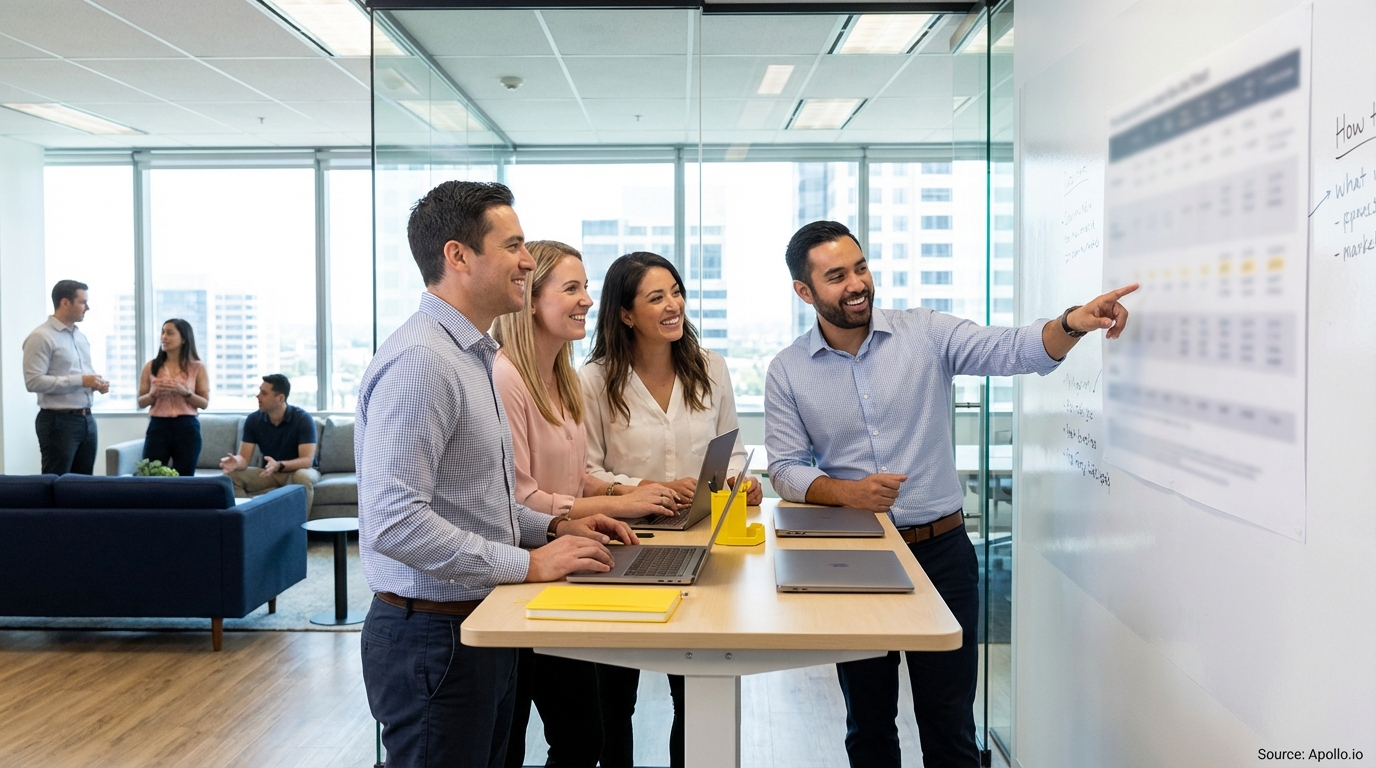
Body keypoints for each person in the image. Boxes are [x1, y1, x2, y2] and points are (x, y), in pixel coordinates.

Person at [764, 220, 1137, 768]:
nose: (857, 284)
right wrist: (847, 493)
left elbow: (1011, 350)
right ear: (805, 291)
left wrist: (1071, 324)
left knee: (950, 725)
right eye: (837, 276)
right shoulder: (788, 371)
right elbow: (785, 468)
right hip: (854, 556)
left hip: (942, 555)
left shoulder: (926, 333)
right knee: (868, 725)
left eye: (861, 267)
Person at [355, 180, 638, 768]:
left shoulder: (470, 355)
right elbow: (396, 524)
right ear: (458, 256)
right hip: (432, 635)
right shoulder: (422, 362)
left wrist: (553, 532)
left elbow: (482, 501)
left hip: (475, 622)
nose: (528, 260)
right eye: (512, 246)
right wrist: (530, 563)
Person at [490, 240, 680, 768]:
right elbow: (521, 497)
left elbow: (576, 477)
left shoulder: (562, 378)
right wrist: (619, 507)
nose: (585, 300)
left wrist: (627, 493)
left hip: (564, 572)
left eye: (586, 288)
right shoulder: (506, 378)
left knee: (583, 737)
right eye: (571, 288)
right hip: (521, 577)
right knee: (524, 743)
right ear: (530, 299)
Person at [580, 251, 761, 768]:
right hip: (623, 545)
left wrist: (738, 482)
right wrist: (650, 488)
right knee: (614, 699)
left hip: (703, 548)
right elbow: (587, 471)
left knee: (696, 690)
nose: (672, 305)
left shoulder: (711, 368)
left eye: (676, 292)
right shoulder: (593, 379)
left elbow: (735, 449)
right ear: (625, 313)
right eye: (656, 297)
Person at [22, 279, 110, 475]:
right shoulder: (41, 337)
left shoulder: (80, 337)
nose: (87, 307)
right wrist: (81, 380)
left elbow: (81, 374)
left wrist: (95, 383)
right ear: (65, 302)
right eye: (82, 302)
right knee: (56, 482)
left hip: (87, 419)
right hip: (58, 422)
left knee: (83, 485)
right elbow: (33, 381)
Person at [218, 374, 319, 510]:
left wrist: (278, 465)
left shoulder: (302, 419)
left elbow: (306, 461)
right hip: (270, 472)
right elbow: (244, 458)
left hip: (300, 471)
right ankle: (250, 519)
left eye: (264, 393)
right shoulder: (253, 420)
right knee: (231, 476)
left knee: (302, 477)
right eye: (260, 391)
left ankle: (296, 529)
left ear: (280, 398)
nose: (258, 396)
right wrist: (237, 461)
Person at [137, 319, 210, 476]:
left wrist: (185, 393)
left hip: (186, 427)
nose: (164, 337)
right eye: (163, 332)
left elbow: (204, 403)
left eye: (170, 333)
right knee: (151, 474)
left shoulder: (197, 367)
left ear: (183, 339)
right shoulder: (151, 366)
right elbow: (140, 402)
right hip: (158, 426)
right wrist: (153, 395)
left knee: (184, 478)